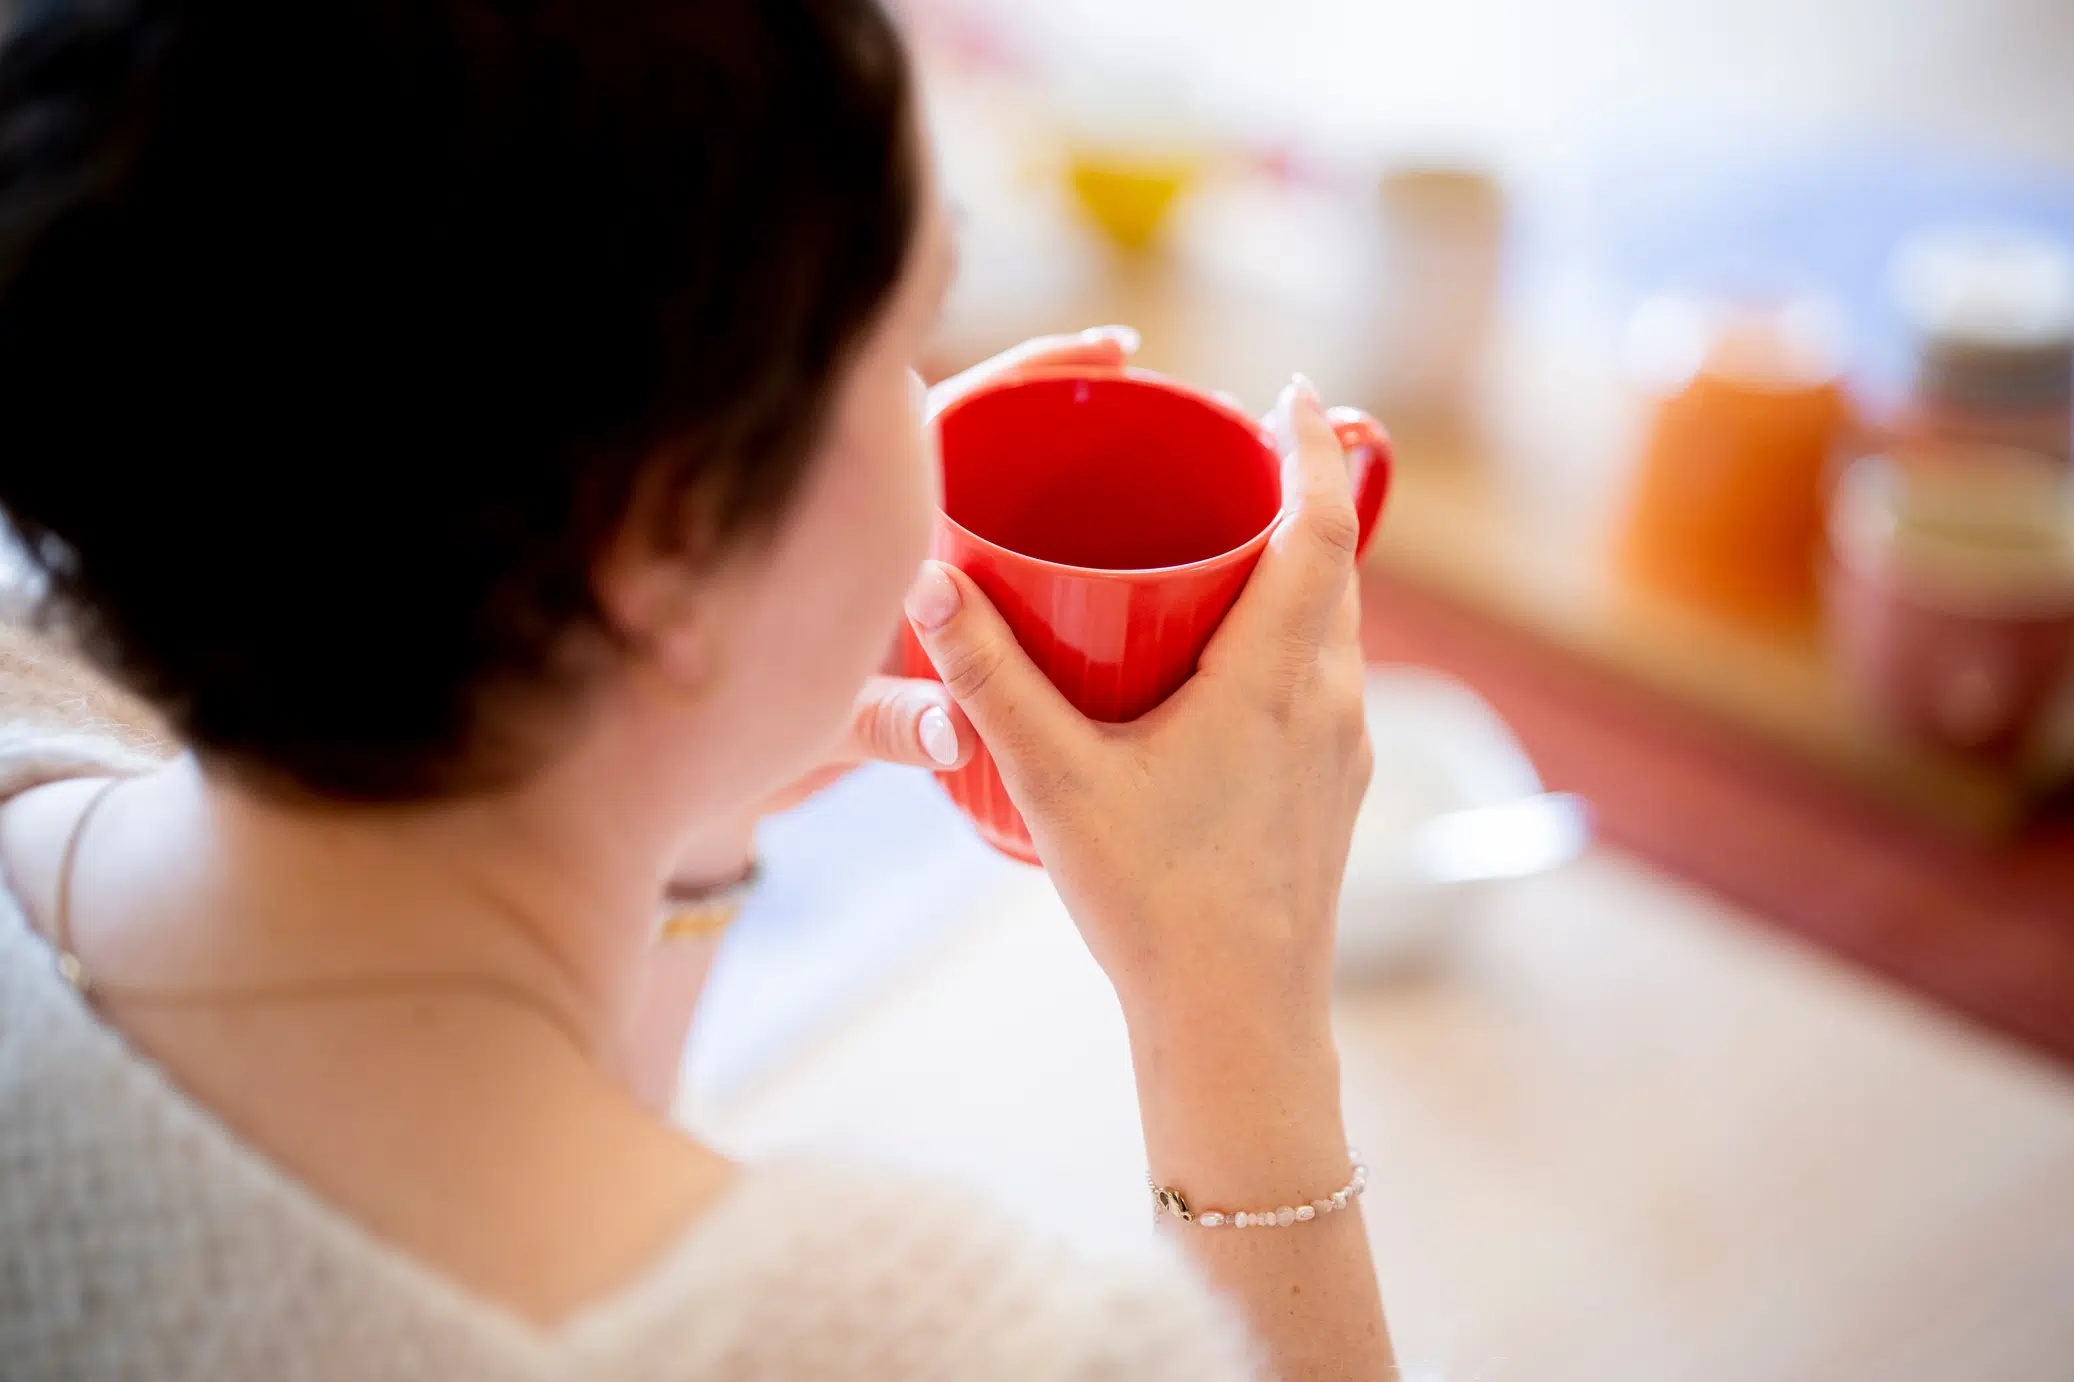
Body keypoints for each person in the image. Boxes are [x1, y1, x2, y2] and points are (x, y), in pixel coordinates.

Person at [0, 1, 1393, 1378]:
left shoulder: (28, 710)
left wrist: (672, 788)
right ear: (670, 530)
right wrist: (1241, 1022)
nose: (930, 417)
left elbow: (484, 1143)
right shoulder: (918, 1337)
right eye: (903, 339)